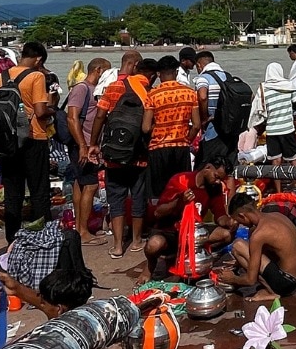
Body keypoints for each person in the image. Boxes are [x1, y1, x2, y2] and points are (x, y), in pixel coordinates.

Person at [89, 51, 152, 260]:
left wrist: (93, 144)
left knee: (116, 197)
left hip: (113, 154)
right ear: (134, 65)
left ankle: (117, 246)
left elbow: (99, 115)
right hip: (139, 153)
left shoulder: (112, 87)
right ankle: (136, 241)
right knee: (138, 195)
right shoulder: (145, 88)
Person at [0, 269, 104, 349]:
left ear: (59, 309)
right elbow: (36, 299)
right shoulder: (78, 317)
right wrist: (15, 287)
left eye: (43, 303)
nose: (40, 304)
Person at [0, 42, 54, 244]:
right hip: (33, 138)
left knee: (12, 192)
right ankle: (43, 236)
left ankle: (13, 239)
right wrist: (52, 110)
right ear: (38, 59)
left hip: (7, 141)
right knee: (39, 190)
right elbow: (40, 111)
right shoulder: (36, 76)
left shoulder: (0, 77)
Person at [142, 159, 232, 282]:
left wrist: (229, 222)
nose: (218, 182)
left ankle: (193, 257)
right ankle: (149, 267)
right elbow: (158, 212)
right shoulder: (181, 180)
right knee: (154, 245)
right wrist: (179, 201)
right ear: (207, 168)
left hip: (193, 235)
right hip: (169, 232)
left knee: (226, 234)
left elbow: (219, 215)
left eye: (220, 179)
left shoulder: (214, 188)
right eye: (216, 177)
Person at [220, 194, 296, 301]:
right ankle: (271, 285)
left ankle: (271, 292)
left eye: (239, 221)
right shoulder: (276, 215)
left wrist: (232, 279)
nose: (241, 225)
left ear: (242, 216)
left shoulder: (259, 234)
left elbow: (251, 280)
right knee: (252, 234)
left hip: (286, 284)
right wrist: (240, 262)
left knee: (238, 245)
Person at [143, 56, 200, 200]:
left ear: (158, 74)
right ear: (176, 72)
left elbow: (145, 127)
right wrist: (187, 140)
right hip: (181, 148)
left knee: (158, 194)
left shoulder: (152, 95)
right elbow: (197, 125)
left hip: (158, 149)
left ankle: (159, 220)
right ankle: (180, 221)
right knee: (182, 192)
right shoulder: (190, 93)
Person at [66, 58, 110, 244]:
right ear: (98, 70)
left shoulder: (93, 90)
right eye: (106, 73)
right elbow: (71, 118)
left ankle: (79, 227)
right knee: (91, 185)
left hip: (86, 145)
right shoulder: (82, 88)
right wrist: (83, 146)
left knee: (80, 184)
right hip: (82, 145)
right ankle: (83, 232)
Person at [250, 63, 296, 166]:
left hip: (272, 130)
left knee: (275, 160)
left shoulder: (263, 88)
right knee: (293, 158)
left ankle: (277, 182)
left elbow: (257, 109)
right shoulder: (289, 85)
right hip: (288, 129)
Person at [194, 51, 237, 165]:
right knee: (229, 169)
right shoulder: (228, 76)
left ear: (199, 65)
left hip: (213, 130)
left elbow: (202, 97)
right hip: (231, 131)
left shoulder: (203, 78)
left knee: (208, 166)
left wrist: (204, 118)